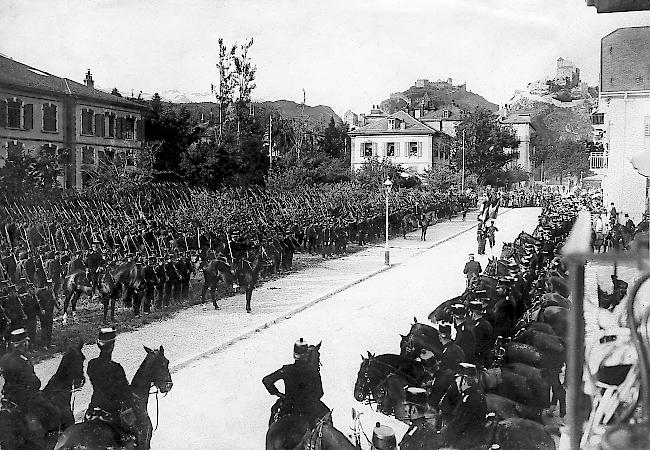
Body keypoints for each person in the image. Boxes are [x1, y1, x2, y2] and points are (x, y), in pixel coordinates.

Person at [0, 328, 59, 445]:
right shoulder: (23, 360)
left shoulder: (4, 358)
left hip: (8, 398)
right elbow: (33, 382)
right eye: (26, 341)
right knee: (52, 410)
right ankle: (51, 440)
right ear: (24, 343)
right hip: (24, 398)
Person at [85, 327, 138, 448]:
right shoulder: (116, 368)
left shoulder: (91, 364)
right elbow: (125, 392)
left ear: (99, 345)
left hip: (94, 407)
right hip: (112, 411)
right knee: (133, 435)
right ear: (112, 346)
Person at [262, 338, 329, 427]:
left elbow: (267, 380)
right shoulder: (313, 372)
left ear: (294, 355)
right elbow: (320, 393)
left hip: (289, 407)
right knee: (327, 414)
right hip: (308, 409)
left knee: (275, 413)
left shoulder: (286, 370)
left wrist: (278, 394)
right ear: (306, 355)